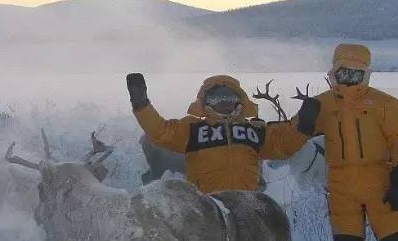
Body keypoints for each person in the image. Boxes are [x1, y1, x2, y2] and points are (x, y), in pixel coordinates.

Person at [293, 43, 398, 241]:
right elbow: (291, 137)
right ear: (334, 72)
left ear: (366, 73)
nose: (349, 79)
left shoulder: (386, 104)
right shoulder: (322, 104)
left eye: (355, 73)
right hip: (341, 192)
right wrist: (302, 121)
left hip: (381, 188)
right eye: (344, 73)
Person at [126, 73, 309, 194]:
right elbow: (161, 131)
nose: (225, 103)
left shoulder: (255, 130)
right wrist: (141, 105)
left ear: (240, 101)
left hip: (249, 202)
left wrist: (306, 122)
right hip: (207, 204)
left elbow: (283, 142)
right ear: (207, 103)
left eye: (229, 99)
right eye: (218, 99)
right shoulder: (192, 129)